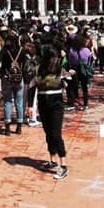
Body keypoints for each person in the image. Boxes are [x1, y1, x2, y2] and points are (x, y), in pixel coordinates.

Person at [34, 44, 69, 180]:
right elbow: (33, 87)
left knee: (56, 133)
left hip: (56, 103)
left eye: (56, 57)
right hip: (43, 102)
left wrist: (66, 80)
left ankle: (63, 164)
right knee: (48, 132)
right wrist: (30, 106)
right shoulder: (38, 70)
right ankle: (52, 159)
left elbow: (68, 82)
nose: (55, 60)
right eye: (52, 57)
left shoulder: (60, 69)